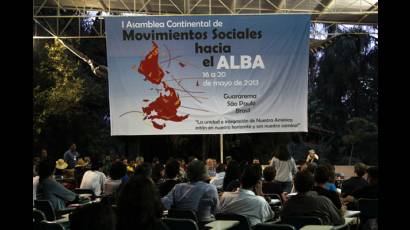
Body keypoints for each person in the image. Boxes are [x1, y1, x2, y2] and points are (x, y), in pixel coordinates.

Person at [281, 171, 345, 226]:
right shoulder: (324, 202)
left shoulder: (287, 205)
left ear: (295, 185)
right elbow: (340, 221)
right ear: (312, 185)